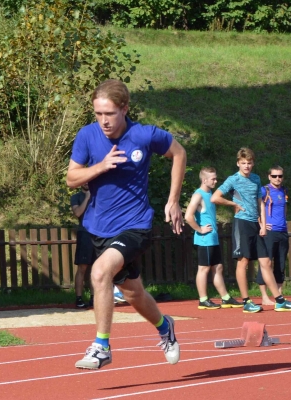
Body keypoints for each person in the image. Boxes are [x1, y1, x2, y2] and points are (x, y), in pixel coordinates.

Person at [67, 79, 186, 370]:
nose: (103, 121)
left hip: (135, 225)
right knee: (133, 293)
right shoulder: (86, 136)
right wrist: (102, 166)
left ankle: (102, 346)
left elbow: (179, 154)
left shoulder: (144, 135)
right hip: (98, 228)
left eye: (109, 113)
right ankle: (164, 327)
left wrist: (173, 200)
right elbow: (72, 178)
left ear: (124, 109)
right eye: (98, 114)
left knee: (99, 272)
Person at [211, 148, 291, 313]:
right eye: (243, 163)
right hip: (242, 223)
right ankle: (246, 301)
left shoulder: (256, 179)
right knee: (243, 261)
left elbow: (260, 202)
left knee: (266, 262)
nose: (247, 166)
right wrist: (234, 204)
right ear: (238, 163)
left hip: (255, 224)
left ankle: (279, 301)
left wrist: (262, 224)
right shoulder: (233, 179)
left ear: (253, 163)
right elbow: (215, 197)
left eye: (249, 163)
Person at [184, 167, 243, 310]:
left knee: (218, 267)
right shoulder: (198, 195)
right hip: (205, 238)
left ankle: (225, 298)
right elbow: (188, 216)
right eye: (213, 179)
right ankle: (203, 300)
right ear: (204, 180)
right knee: (204, 269)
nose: (216, 181)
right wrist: (200, 229)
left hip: (213, 237)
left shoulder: (209, 193)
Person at [256, 166, 289, 305]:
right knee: (266, 263)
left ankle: (279, 295)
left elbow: (284, 208)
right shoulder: (264, 190)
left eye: (280, 176)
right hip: (269, 232)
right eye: (274, 176)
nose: (277, 178)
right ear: (269, 176)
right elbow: (255, 206)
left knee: (281, 263)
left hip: (282, 231)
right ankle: (264, 297)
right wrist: (261, 223)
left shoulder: (284, 190)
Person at [70, 183, 95, 309]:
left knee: (96, 268)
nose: (86, 182)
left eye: (88, 180)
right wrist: (87, 198)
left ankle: (94, 297)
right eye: (84, 180)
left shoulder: (98, 195)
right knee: (82, 268)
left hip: (98, 233)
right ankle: (79, 298)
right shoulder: (76, 197)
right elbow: (78, 213)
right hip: (84, 234)